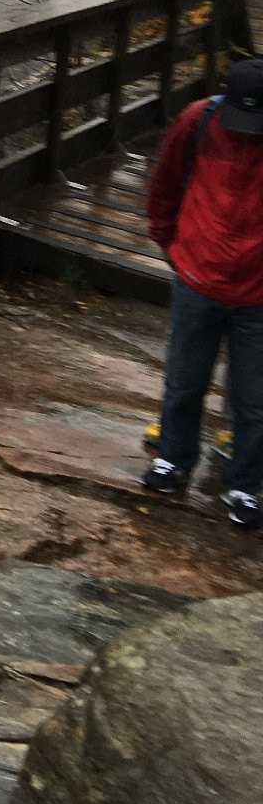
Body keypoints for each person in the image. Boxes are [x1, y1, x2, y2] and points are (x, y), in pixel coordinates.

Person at [144, 55, 263, 527]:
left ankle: (245, 487)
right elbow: (166, 183)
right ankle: (173, 459)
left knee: (256, 399)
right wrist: (167, 239)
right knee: (184, 380)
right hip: (198, 273)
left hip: (258, 291)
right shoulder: (197, 122)